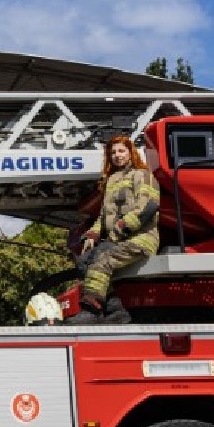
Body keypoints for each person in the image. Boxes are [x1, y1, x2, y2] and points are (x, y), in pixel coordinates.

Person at [68, 135, 159, 324]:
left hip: (139, 240)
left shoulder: (142, 175)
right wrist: (93, 234)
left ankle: (91, 310)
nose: (117, 156)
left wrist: (120, 229)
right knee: (84, 262)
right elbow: (103, 216)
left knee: (103, 261)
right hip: (117, 240)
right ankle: (116, 312)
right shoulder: (111, 181)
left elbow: (148, 206)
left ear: (130, 152)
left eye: (121, 151)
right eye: (113, 152)